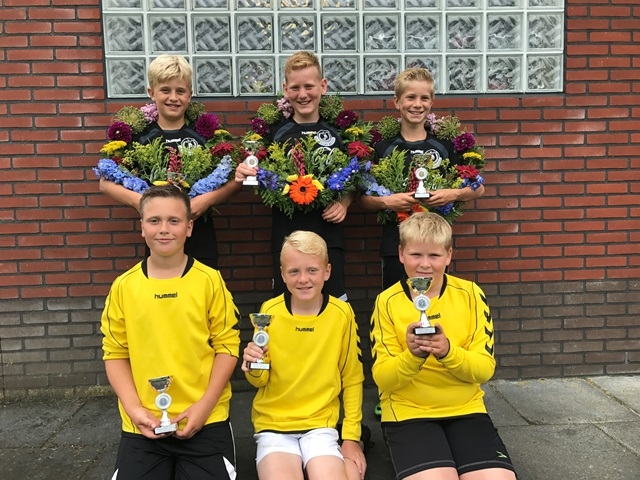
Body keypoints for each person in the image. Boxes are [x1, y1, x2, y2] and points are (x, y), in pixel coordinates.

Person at [101, 185, 241, 479]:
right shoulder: (124, 287)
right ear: (142, 227)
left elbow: (227, 347)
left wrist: (204, 407)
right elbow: (115, 353)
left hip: (206, 419)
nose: (164, 229)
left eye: (174, 221)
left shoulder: (210, 281)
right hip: (144, 422)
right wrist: (134, 410)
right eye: (154, 221)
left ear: (189, 227)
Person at [369, 211, 517, 480]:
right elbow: (383, 378)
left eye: (434, 255)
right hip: (408, 411)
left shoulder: (471, 294)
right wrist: (413, 356)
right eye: (416, 255)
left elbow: (484, 370)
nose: (425, 264)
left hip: (466, 409)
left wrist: (448, 351)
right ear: (401, 254)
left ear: (449, 255)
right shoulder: (386, 301)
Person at [241, 230, 367, 480]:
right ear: (282, 274)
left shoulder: (342, 313)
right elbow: (259, 380)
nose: (303, 279)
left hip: (321, 426)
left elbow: (352, 377)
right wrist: (253, 364)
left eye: (312, 270)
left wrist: (351, 437)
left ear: (327, 271)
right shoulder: (269, 311)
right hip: (274, 426)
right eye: (294, 271)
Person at [99, 54, 241, 269]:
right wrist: (142, 202)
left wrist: (205, 201)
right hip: (159, 238)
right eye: (165, 90)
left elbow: (234, 182)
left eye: (180, 91)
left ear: (190, 95)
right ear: (151, 92)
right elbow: (105, 183)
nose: (173, 98)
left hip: (201, 236)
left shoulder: (206, 135)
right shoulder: (138, 137)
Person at [235, 51, 353, 300]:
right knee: (287, 306)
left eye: (309, 86)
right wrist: (245, 171)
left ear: (323, 86)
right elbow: (255, 171)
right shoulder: (273, 134)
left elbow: (357, 174)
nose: (303, 94)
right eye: (295, 88)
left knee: (334, 306)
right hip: (285, 235)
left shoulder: (342, 133)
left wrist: (345, 201)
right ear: (285, 89)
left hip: (329, 235)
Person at [358, 67, 485, 290]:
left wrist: (453, 194)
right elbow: (363, 199)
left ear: (431, 102)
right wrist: (387, 201)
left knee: (434, 302)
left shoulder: (444, 147)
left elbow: (478, 188)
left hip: (435, 246)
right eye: (410, 97)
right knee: (397, 302)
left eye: (424, 98)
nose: (417, 104)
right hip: (396, 245)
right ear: (397, 102)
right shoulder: (382, 148)